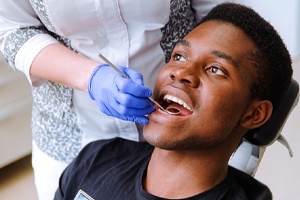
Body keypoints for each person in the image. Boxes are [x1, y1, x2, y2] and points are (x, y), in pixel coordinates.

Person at [54, 2, 293, 199]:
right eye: (179, 56)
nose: (180, 72)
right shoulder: (97, 159)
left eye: (216, 69)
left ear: (254, 114)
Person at [0, 1, 225, 199]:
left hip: (185, 144)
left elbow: (219, 20)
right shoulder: (79, 170)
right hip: (72, 135)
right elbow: (12, 31)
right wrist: (91, 78)